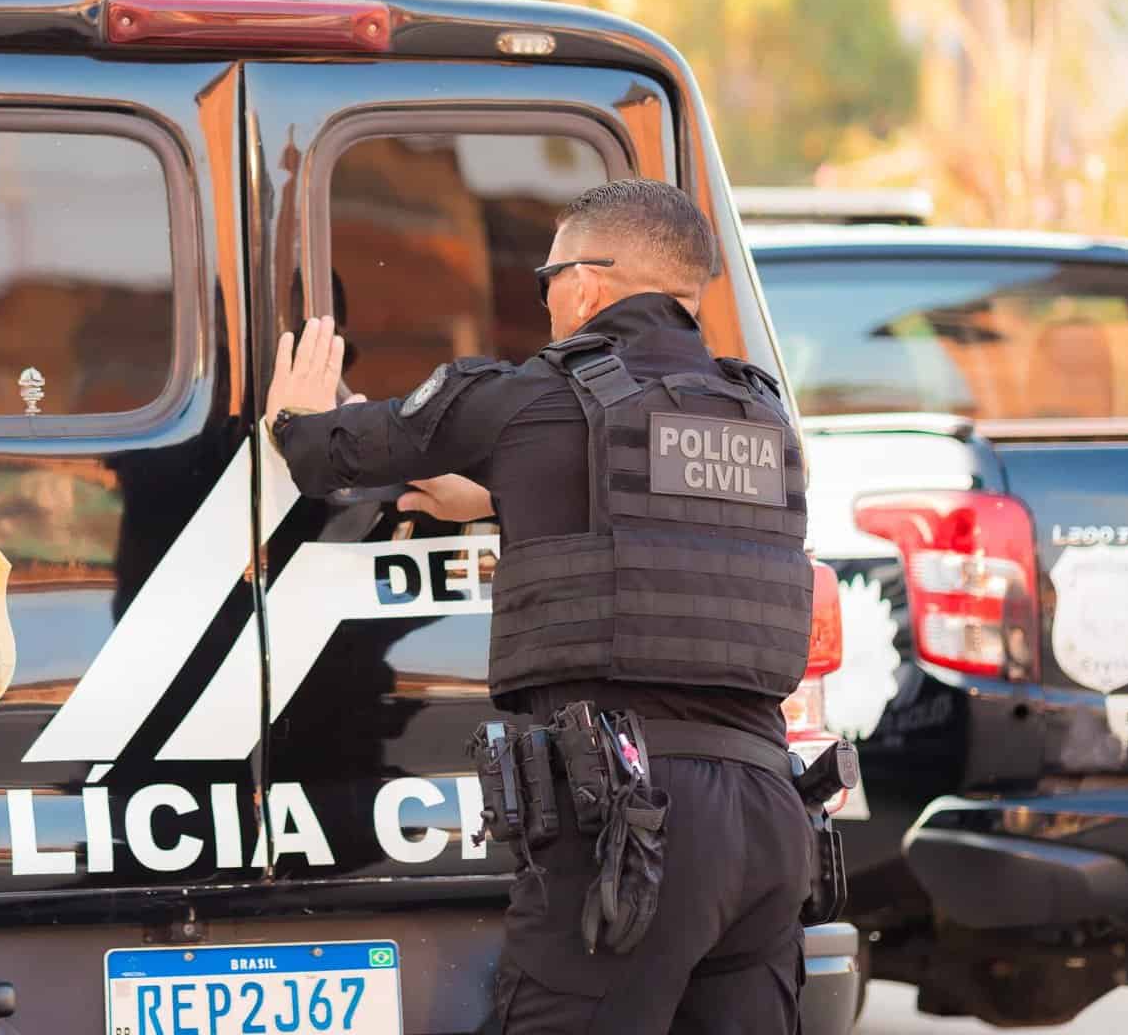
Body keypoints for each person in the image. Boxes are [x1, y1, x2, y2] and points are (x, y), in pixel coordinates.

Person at [266, 179, 814, 1034]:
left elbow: (327, 451)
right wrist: (494, 497)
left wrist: (295, 417)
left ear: (589, 285)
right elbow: (652, 522)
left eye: (547, 278)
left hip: (631, 825)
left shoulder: (536, 396)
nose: (549, 298)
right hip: (771, 825)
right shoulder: (761, 418)